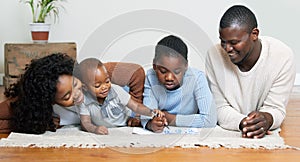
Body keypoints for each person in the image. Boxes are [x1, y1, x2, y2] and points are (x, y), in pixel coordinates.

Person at [205, 5, 296, 138]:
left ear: (254, 34)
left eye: (234, 42)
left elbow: (276, 108)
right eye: (223, 41)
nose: (227, 48)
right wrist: (243, 122)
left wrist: (267, 119)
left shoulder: (282, 56)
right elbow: (218, 108)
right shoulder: (214, 55)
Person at [141, 35, 217, 133]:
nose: (169, 78)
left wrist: (170, 118)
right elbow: (147, 114)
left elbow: (209, 120)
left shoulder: (197, 78)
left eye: (176, 72)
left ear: (186, 66)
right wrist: (151, 124)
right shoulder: (151, 77)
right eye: (163, 71)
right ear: (154, 65)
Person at [77, 58, 165, 135]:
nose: (104, 87)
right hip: (106, 128)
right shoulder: (84, 100)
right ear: (85, 87)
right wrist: (94, 129)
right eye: (97, 86)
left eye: (107, 81)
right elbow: (85, 122)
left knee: (138, 120)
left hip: (126, 121)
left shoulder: (115, 91)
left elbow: (136, 106)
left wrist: (152, 112)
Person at [4, 53, 84, 134]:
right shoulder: (42, 109)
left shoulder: (90, 88)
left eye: (75, 84)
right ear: (51, 101)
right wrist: (42, 124)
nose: (77, 94)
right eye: (67, 97)